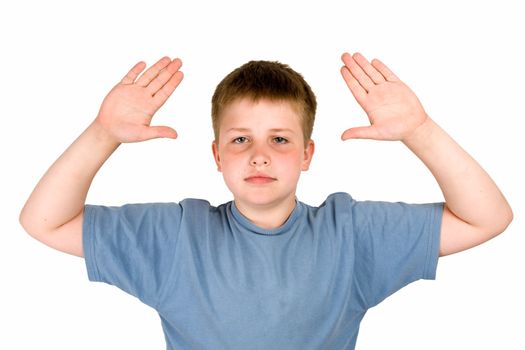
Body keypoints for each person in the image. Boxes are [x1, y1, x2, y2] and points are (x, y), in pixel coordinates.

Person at [19, 52, 513, 349]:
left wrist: (419, 132)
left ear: (306, 155)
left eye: (279, 140)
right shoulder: (176, 236)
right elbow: (44, 222)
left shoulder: (353, 235)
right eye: (240, 140)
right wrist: (103, 133)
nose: (259, 156)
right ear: (216, 155)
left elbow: (487, 218)